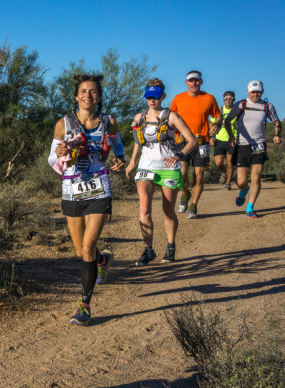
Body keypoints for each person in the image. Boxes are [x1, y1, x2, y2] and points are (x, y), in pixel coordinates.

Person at [48, 74, 127, 326]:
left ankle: (84, 306)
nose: (87, 96)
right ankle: (102, 260)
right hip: (72, 190)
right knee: (81, 250)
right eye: (83, 91)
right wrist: (60, 154)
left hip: (99, 189)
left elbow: (118, 144)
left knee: (86, 247)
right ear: (75, 96)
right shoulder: (63, 124)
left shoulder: (108, 122)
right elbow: (52, 159)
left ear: (99, 97)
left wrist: (120, 157)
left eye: (93, 92)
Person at [125, 79, 198, 265]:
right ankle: (148, 250)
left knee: (167, 211)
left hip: (168, 170)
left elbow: (192, 140)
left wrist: (180, 155)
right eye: (149, 97)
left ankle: (170, 247)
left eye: (156, 97)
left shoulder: (171, 117)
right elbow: (138, 141)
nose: (152, 101)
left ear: (163, 97)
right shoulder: (139, 118)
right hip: (146, 167)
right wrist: (132, 161)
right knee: (144, 209)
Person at [222, 80, 282, 218]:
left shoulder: (267, 106)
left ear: (262, 92)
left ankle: (250, 207)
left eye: (259, 92)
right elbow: (227, 121)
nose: (256, 94)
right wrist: (232, 137)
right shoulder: (241, 105)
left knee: (256, 177)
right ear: (248, 91)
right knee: (241, 181)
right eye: (254, 92)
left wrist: (277, 135)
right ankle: (243, 191)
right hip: (242, 146)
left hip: (259, 145)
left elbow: (277, 122)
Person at [168, 70, 221, 218]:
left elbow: (218, 116)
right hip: (182, 141)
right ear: (186, 83)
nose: (194, 83)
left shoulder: (209, 98)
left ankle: (194, 205)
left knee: (199, 176)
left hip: (201, 142)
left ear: (201, 82)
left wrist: (216, 125)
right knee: (183, 174)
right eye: (191, 81)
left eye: (196, 81)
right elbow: (170, 117)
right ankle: (185, 194)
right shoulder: (178, 98)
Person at [211, 91, 238, 189]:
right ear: (223, 99)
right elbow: (212, 123)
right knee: (218, 162)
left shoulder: (237, 111)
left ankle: (228, 183)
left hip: (232, 140)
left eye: (230, 98)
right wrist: (211, 136)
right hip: (219, 139)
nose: (228, 100)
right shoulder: (219, 110)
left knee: (230, 162)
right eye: (226, 98)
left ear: (234, 99)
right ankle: (224, 172)